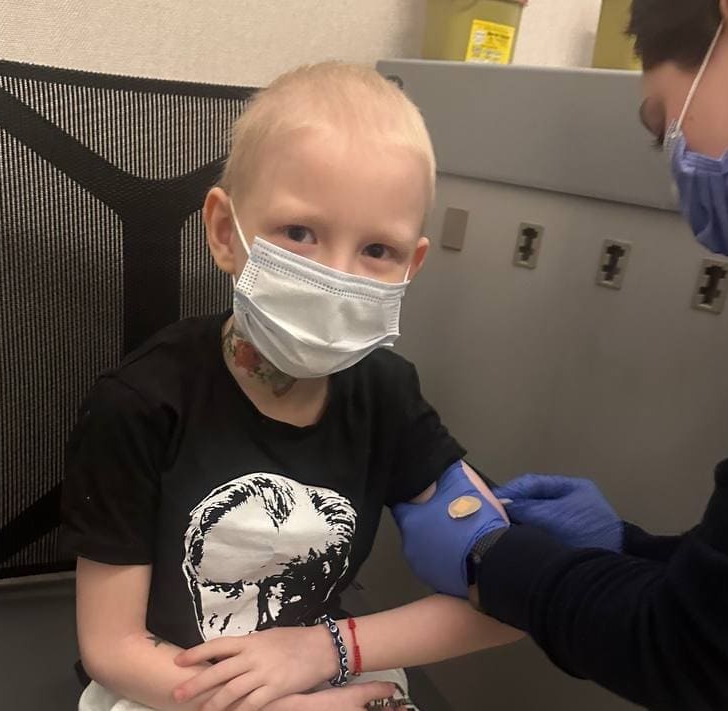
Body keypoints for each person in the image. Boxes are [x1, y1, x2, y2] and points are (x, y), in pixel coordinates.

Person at [59, 62, 522, 711]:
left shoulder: (386, 396)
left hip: (323, 664)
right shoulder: (141, 405)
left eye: (377, 250)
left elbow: (509, 597)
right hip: (171, 685)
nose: (336, 277)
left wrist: (335, 650)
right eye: (299, 233)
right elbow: (113, 649)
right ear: (225, 232)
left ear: (412, 265)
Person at [394, 2, 728, 710]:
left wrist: (493, 559)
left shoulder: (385, 389)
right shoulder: (166, 388)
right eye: (299, 233)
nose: (675, 156)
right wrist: (627, 549)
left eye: (664, 125)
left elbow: (693, 649)